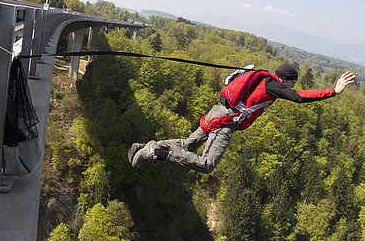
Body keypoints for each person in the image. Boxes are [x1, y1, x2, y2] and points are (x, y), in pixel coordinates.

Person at [128, 63, 355, 174]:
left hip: (216, 111)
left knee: (187, 145)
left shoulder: (260, 77)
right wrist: (333, 91)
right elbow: (298, 97)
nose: (292, 86)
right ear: (287, 79)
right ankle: (157, 152)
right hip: (226, 121)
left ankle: (146, 146)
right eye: (292, 81)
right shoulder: (274, 85)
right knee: (206, 165)